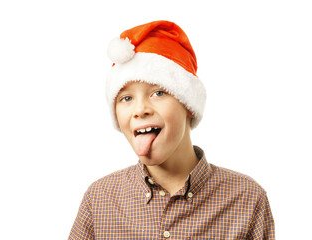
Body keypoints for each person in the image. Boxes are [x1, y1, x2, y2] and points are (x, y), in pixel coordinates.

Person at [68, 20, 274, 239]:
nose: (140, 110)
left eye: (158, 93)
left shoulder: (247, 199)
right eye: (126, 98)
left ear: (189, 105)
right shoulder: (99, 199)